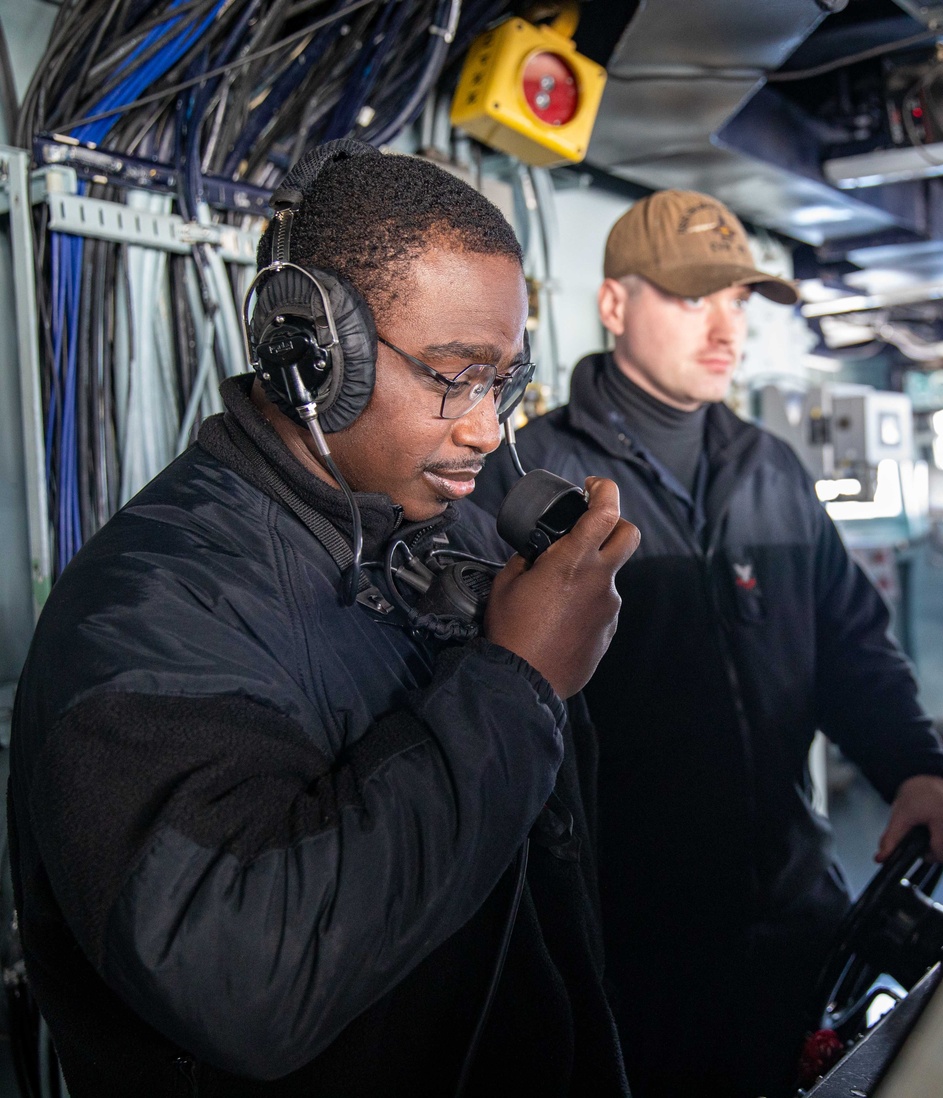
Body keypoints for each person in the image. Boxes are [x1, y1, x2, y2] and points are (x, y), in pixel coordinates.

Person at [8, 141, 641, 1098]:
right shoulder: (146, 608)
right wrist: (516, 684)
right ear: (312, 350)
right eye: (453, 375)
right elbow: (249, 980)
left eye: (502, 381)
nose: (485, 428)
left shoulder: (436, 533)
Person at [472, 188, 943, 1098]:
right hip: (627, 945)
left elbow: (850, 642)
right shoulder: (533, 484)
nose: (725, 327)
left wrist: (914, 761)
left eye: (739, 302)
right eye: (692, 297)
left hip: (792, 914)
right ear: (616, 304)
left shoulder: (770, 467)